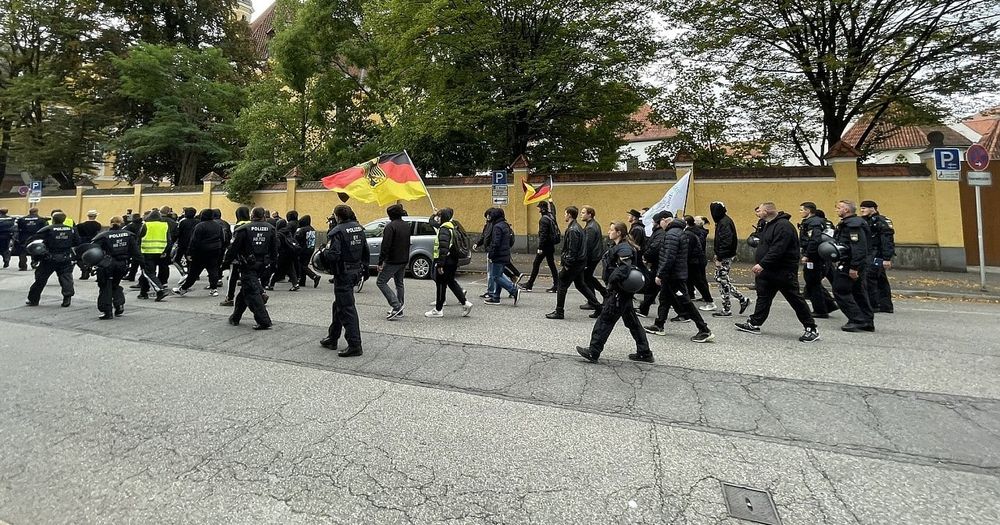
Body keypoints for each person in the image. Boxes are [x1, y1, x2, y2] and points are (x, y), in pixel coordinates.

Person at [734, 203, 819, 342]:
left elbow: (778, 249)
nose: (758, 213)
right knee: (763, 297)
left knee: (795, 299)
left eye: (760, 210)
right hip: (768, 272)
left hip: (783, 271)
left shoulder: (783, 226)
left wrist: (762, 264)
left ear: (767, 211)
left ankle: (811, 328)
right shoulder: (768, 224)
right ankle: (754, 323)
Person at [576, 222, 653, 363]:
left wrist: (612, 281)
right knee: (633, 322)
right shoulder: (619, 246)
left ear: (619, 233)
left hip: (619, 292)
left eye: (612, 230)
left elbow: (625, 267)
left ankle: (593, 352)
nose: (609, 231)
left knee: (604, 320)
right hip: (622, 292)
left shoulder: (624, 247)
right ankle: (645, 352)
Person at [644, 214, 714, 343]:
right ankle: (659, 325)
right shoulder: (678, 232)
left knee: (685, 301)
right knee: (664, 299)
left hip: (674, 276)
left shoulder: (671, 235)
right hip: (674, 274)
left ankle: (704, 329)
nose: (659, 225)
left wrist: (660, 274)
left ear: (665, 221)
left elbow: (669, 257)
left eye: (660, 222)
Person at [320, 205, 367, 356]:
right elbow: (365, 250)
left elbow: (333, 255)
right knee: (339, 305)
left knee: (347, 308)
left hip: (343, 273)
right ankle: (332, 337)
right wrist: (363, 270)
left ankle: (355, 345)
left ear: (337, 216)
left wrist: (324, 252)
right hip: (355, 271)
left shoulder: (338, 232)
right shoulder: (359, 228)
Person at [224, 207, 276, 330]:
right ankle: (235, 317)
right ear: (263, 215)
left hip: (247, 264)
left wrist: (225, 263)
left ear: (252, 215)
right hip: (263, 264)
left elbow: (233, 248)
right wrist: (272, 264)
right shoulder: (271, 228)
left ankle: (264, 321)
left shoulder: (243, 229)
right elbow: (275, 248)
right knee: (246, 290)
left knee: (252, 293)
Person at [546, 206, 602, 319]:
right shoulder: (577, 227)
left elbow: (573, 250)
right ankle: (599, 308)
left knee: (562, 284)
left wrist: (567, 265)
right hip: (579, 263)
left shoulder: (573, 230)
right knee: (581, 285)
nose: (564, 215)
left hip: (574, 263)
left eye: (565, 213)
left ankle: (559, 311)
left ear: (569, 215)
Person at [832, 199, 874, 332]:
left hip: (850, 264)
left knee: (840, 290)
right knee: (858, 292)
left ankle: (857, 319)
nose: (837, 210)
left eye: (839, 208)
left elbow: (858, 248)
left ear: (846, 210)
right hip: (855, 263)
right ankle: (867, 321)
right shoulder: (850, 223)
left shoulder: (853, 225)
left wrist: (854, 267)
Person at [426, 207, 473, 317]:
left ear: (443, 217)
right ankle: (465, 303)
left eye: (439, 216)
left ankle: (438, 309)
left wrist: (440, 264)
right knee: (451, 282)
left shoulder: (444, 229)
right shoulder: (452, 227)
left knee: (440, 284)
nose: (438, 218)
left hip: (445, 261)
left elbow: (443, 248)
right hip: (453, 260)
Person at [25, 212, 80, 307]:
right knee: (66, 278)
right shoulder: (72, 230)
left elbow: (33, 241)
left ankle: (33, 299)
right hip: (65, 257)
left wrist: (36, 255)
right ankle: (67, 299)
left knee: (40, 279)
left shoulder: (47, 229)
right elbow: (77, 242)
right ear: (64, 219)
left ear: (53, 219)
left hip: (49, 257)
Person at [92, 216, 142, 319]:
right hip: (122, 264)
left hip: (107, 264)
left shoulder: (103, 236)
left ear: (110, 223)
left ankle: (107, 311)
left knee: (105, 287)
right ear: (122, 223)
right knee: (115, 284)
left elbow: (94, 251)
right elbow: (136, 252)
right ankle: (119, 304)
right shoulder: (129, 235)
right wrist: (143, 265)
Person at [710, 201, 751, 317]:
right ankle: (742, 300)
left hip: (725, 256)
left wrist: (719, 257)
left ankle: (728, 307)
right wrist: (717, 254)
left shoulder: (724, 222)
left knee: (722, 279)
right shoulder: (723, 221)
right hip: (724, 255)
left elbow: (726, 242)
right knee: (721, 279)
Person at [798, 202, 838, 317]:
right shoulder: (815, 221)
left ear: (808, 211)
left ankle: (820, 310)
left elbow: (814, 240)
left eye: (802, 210)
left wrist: (807, 254)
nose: (800, 212)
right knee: (812, 281)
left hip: (815, 257)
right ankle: (828, 305)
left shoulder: (813, 222)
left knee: (812, 282)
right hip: (818, 256)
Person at [173, 209, 224, 296]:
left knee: (194, 271)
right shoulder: (217, 225)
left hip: (201, 251)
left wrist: (189, 253)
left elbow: (194, 240)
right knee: (213, 270)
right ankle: (214, 289)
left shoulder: (200, 226)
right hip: (215, 250)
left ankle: (184, 288)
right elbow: (222, 238)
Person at [860, 200, 895, 313]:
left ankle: (874, 304)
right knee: (879, 278)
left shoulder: (881, 221)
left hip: (877, 253)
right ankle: (885, 305)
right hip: (869, 253)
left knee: (870, 277)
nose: (862, 210)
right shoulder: (865, 221)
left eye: (864, 208)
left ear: (873, 209)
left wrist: (886, 258)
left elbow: (887, 240)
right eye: (861, 208)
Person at [377, 204, 411, 320]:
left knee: (381, 281)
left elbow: (385, 245)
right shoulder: (406, 225)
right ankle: (400, 307)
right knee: (399, 283)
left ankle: (396, 306)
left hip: (393, 260)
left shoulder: (390, 227)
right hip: (404, 258)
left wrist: (381, 261)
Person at [636, 211, 669, 318]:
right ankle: (643, 309)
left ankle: (644, 309)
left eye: (654, 221)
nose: (652, 223)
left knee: (655, 289)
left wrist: (646, 256)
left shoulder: (660, 233)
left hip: (658, 265)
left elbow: (655, 247)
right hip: (658, 264)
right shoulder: (659, 232)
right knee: (656, 290)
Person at [484, 208, 520, 305]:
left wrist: (491, 255)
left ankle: (513, 290)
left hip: (498, 255)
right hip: (505, 254)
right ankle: (496, 297)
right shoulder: (505, 225)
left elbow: (496, 243)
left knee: (496, 277)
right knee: (499, 275)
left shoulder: (497, 227)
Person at [522, 201, 559, 293]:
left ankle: (529, 284)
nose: (538, 209)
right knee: (551, 265)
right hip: (551, 245)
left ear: (542, 209)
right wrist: (551, 202)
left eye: (539, 208)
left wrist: (540, 248)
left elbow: (543, 235)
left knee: (536, 264)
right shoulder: (551, 216)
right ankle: (557, 285)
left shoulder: (543, 220)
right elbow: (554, 211)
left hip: (545, 246)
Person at [220, 206, 252, 307]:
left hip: (238, 258)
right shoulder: (252, 225)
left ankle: (229, 298)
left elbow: (234, 245)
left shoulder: (239, 227)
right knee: (252, 277)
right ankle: (261, 293)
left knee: (232, 278)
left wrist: (227, 260)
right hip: (251, 257)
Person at [136, 209, 170, 301]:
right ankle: (143, 292)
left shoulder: (146, 225)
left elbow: (139, 239)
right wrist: (165, 251)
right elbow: (169, 240)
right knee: (146, 273)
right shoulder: (165, 225)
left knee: (148, 272)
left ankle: (160, 290)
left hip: (147, 252)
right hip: (160, 252)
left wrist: (137, 251)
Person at [580, 205, 608, 305]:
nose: (581, 215)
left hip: (592, 257)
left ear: (590, 214)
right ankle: (600, 294)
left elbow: (587, 246)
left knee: (587, 277)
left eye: (583, 213)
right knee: (588, 277)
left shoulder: (591, 227)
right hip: (594, 256)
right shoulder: (592, 224)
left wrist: (584, 260)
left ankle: (594, 300)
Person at [686, 216, 715, 310]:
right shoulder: (695, 232)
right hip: (696, 260)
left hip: (696, 260)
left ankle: (708, 300)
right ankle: (690, 296)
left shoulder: (696, 233)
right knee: (693, 280)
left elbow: (694, 248)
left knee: (700, 280)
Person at [268, 219, 301, 291]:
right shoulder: (288, 232)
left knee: (278, 270)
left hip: (282, 254)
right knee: (291, 269)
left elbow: (277, 245)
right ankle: (295, 284)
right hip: (291, 253)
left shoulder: (278, 234)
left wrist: (275, 253)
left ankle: (271, 285)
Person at [295, 215, 322, 289]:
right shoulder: (311, 229)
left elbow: (297, 238)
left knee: (301, 265)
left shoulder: (302, 230)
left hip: (303, 249)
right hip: (310, 249)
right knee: (304, 264)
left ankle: (314, 276)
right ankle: (302, 281)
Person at [75, 210, 103, 280]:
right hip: (93, 243)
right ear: (95, 216)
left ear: (88, 216)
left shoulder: (80, 225)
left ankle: (84, 269)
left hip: (83, 243)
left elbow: (77, 235)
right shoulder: (98, 225)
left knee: (79, 258)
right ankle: (92, 269)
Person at [123, 213, 144, 280]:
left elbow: (124, 232)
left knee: (134, 262)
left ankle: (131, 275)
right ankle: (137, 275)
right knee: (139, 262)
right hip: (141, 244)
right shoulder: (142, 225)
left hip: (133, 245)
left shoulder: (131, 225)